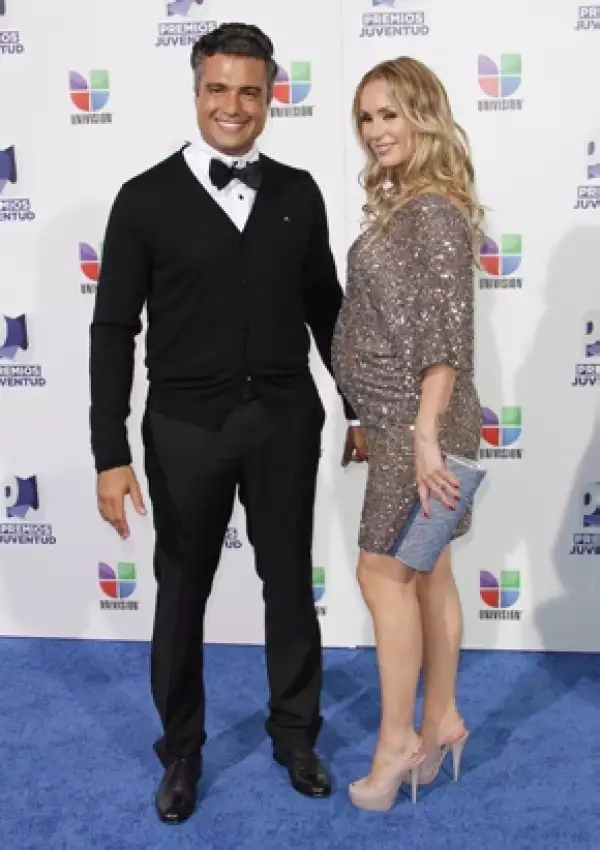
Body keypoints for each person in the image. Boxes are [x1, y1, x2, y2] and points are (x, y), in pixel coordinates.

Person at [89, 22, 366, 825]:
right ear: (196, 90)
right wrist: (111, 452)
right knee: (181, 593)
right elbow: (113, 330)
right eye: (218, 88)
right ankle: (181, 749)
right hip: (183, 429)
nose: (233, 106)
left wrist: (355, 405)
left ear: (272, 95)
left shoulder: (300, 191)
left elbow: (327, 309)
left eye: (250, 90)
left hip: (283, 422)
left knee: (289, 586)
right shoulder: (143, 199)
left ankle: (295, 735)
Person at [332, 56, 484, 810]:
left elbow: (446, 336)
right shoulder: (415, 204)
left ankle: (396, 744)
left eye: (390, 112)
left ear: (423, 114)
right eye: (366, 117)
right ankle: (442, 717)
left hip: (414, 424)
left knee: (380, 574)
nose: (376, 130)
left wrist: (423, 434)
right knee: (428, 574)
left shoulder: (433, 212)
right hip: (403, 420)